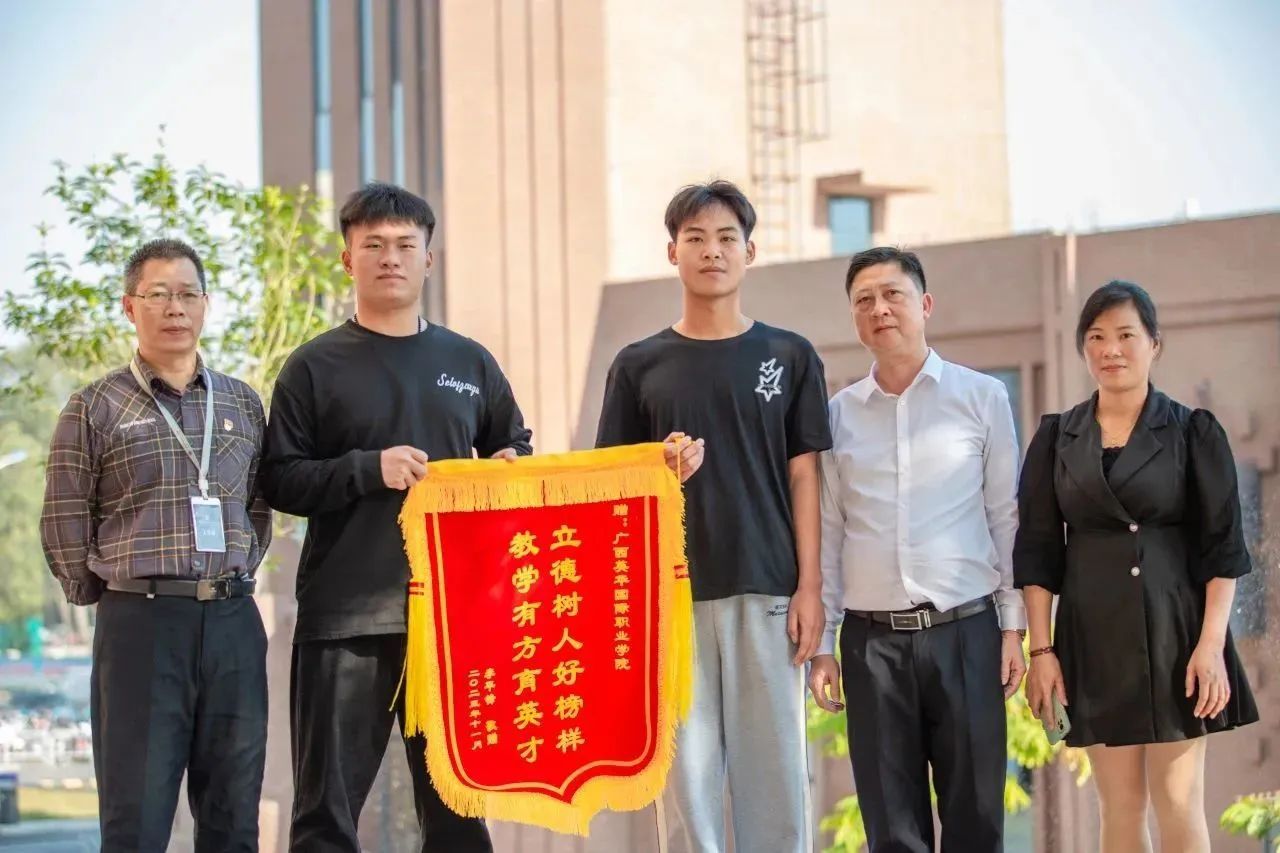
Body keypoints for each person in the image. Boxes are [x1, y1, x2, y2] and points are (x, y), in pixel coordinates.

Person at [260, 183, 536, 852]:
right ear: (346, 259)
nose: (390, 258)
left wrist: (509, 464)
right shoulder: (312, 366)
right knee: (326, 815)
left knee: (458, 813)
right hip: (344, 617)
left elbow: (514, 447)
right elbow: (279, 478)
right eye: (374, 245)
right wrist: (366, 468)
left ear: (428, 260)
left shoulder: (469, 361)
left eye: (406, 245)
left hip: (452, 617)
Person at [595, 180, 830, 853]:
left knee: (777, 784)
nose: (712, 251)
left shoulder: (789, 355)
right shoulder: (638, 365)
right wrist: (656, 467)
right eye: (695, 238)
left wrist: (811, 588)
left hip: (768, 589)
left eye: (727, 237)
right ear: (672, 252)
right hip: (669, 600)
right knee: (686, 791)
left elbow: (805, 476)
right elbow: (610, 487)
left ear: (749, 252)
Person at [40, 238, 272, 852]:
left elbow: (257, 508)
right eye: (159, 294)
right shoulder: (94, 407)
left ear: (206, 305)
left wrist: (226, 577)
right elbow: (64, 518)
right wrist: (111, 593)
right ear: (129, 306)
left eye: (188, 294)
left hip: (233, 623)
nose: (175, 308)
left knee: (233, 819)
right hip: (140, 625)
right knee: (136, 821)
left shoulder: (243, 403)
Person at [1014, 280, 1258, 853]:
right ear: (1084, 349)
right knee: (1118, 807)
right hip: (1094, 635)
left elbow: (1223, 548)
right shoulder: (1057, 437)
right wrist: (1041, 652)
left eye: (1126, 335)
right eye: (1097, 337)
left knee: (1178, 801)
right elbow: (1038, 552)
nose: (1111, 349)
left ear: (1154, 344)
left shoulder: (1193, 431)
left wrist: (1211, 646)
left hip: (1178, 635)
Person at [809, 246, 1026, 853]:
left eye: (892, 295)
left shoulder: (982, 397)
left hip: (967, 633)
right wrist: (824, 645)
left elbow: (1005, 516)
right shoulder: (837, 417)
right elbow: (829, 532)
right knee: (892, 831)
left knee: (976, 822)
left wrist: (1013, 628)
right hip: (871, 644)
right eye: (864, 300)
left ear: (925, 304)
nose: (879, 309)